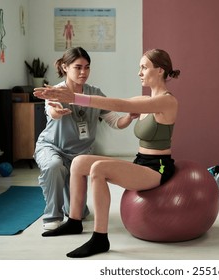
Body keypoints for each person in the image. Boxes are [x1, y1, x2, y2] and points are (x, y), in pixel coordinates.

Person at [33, 48, 180, 258]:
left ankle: (100, 239)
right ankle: (74, 221)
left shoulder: (166, 101)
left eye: (144, 67)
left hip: (158, 167)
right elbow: (124, 106)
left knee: (99, 169)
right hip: (141, 162)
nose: (139, 72)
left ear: (160, 70)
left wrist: (74, 97)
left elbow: (120, 104)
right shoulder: (144, 99)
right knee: (79, 162)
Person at [34, 46, 137, 231]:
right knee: (54, 166)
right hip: (52, 147)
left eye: (87, 67)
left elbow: (115, 121)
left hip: (79, 156)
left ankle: (71, 208)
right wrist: (56, 111)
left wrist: (129, 117)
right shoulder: (56, 91)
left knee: (79, 214)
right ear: (65, 67)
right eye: (78, 67)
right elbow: (52, 111)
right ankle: (52, 215)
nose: (83, 72)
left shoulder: (95, 93)